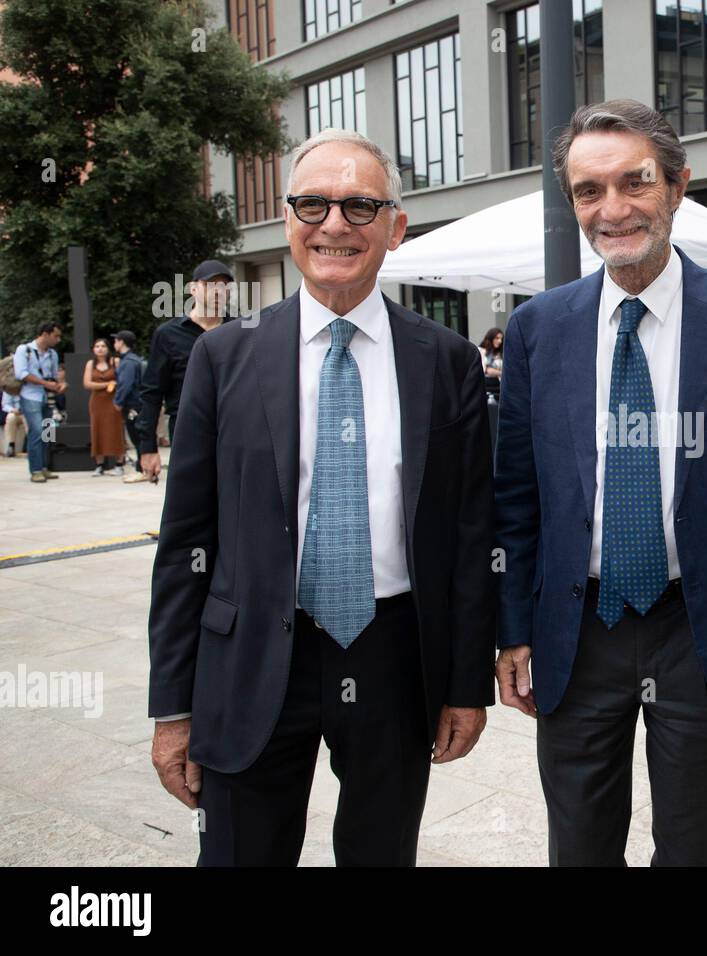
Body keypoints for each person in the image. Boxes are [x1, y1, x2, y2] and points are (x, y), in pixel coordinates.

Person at [147, 128, 496, 866]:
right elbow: (186, 545)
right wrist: (173, 707)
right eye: (314, 204)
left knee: (380, 853)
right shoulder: (223, 355)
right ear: (288, 221)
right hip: (248, 656)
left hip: (394, 654)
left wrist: (467, 685)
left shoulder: (448, 362)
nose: (334, 224)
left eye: (360, 206)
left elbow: (470, 534)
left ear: (395, 227)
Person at [494, 100, 707, 866]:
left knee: (696, 846)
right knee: (579, 847)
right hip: (577, 626)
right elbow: (515, 494)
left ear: (676, 187)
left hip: (695, 624)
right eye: (588, 191)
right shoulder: (539, 328)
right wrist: (511, 627)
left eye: (635, 183)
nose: (614, 210)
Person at [135, 259, 233, 481]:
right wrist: (148, 447)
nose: (218, 292)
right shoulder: (168, 334)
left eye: (224, 286)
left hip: (233, 429)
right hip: (186, 429)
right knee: (189, 500)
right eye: (211, 285)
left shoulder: (240, 331)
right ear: (193, 289)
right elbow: (151, 392)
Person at [12, 321, 65, 483]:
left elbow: (54, 376)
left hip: (48, 398)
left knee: (48, 433)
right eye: (56, 336)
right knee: (36, 432)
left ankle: (44, 467)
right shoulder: (24, 350)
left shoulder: (53, 354)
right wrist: (45, 383)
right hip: (30, 396)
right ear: (45, 334)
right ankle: (35, 470)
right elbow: (21, 374)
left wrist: (59, 385)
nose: (58, 339)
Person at [84, 337, 126, 476]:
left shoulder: (115, 362)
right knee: (97, 431)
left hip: (113, 401)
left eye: (103, 346)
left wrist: (113, 386)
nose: (100, 348)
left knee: (115, 430)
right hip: (97, 402)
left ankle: (119, 463)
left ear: (108, 348)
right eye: (97, 346)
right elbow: (87, 384)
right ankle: (99, 465)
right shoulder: (91, 364)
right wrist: (107, 384)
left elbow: (122, 381)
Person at [112, 330, 148, 483]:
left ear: (121, 342)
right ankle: (142, 468)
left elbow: (125, 385)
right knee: (139, 437)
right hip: (139, 403)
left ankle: (142, 470)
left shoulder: (127, 362)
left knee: (137, 437)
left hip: (133, 405)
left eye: (116, 341)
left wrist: (118, 402)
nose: (114, 344)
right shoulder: (135, 360)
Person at [478, 327, 504, 400]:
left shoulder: (500, 353)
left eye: (501, 339)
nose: (500, 341)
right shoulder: (481, 350)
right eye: (497, 338)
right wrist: (500, 372)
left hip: (499, 387)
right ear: (491, 337)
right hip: (486, 387)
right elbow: (484, 370)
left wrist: (494, 371)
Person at [3, 389, 26, 457]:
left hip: (32, 414)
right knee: (11, 417)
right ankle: (11, 445)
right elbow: (5, 405)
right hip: (18, 413)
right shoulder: (11, 387)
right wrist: (13, 410)